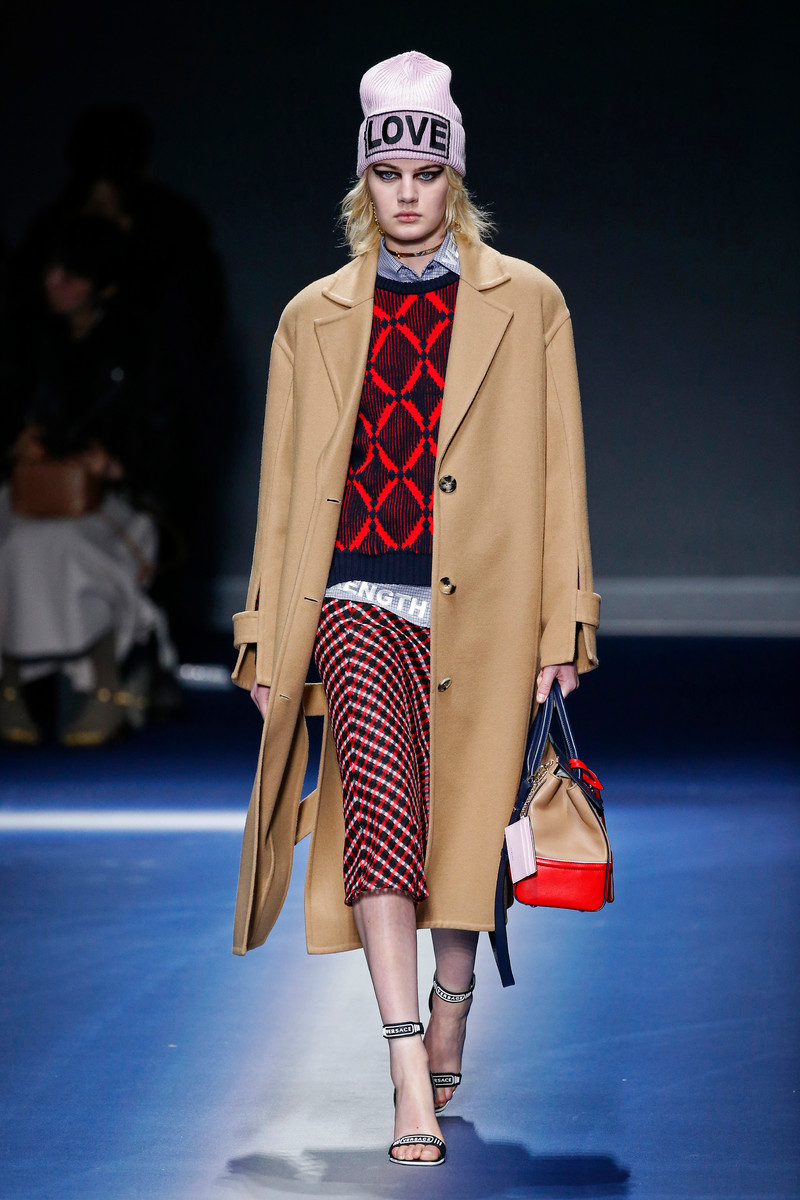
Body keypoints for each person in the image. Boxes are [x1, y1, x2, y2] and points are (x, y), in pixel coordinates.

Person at [231, 51, 600, 1166]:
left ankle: (452, 999)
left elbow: (561, 474)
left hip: (486, 607)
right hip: (353, 600)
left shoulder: (527, 303)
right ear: (362, 182)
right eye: (385, 173)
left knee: (463, 826)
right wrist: (265, 639)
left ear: (454, 179)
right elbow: (283, 489)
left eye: (424, 174)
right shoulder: (312, 319)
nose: (405, 193)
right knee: (383, 821)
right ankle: (404, 1067)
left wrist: (565, 622)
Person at [0, 214, 175, 746]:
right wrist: (17, 442)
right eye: (51, 270)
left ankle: (104, 682)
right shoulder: (26, 339)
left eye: (72, 275)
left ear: (105, 285)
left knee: (64, 548)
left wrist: (119, 463)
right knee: (18, 540)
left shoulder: (141, 348)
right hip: (30, 491)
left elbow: (171, 439)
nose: (56, 283)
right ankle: (13, 685)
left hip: (113, 500)